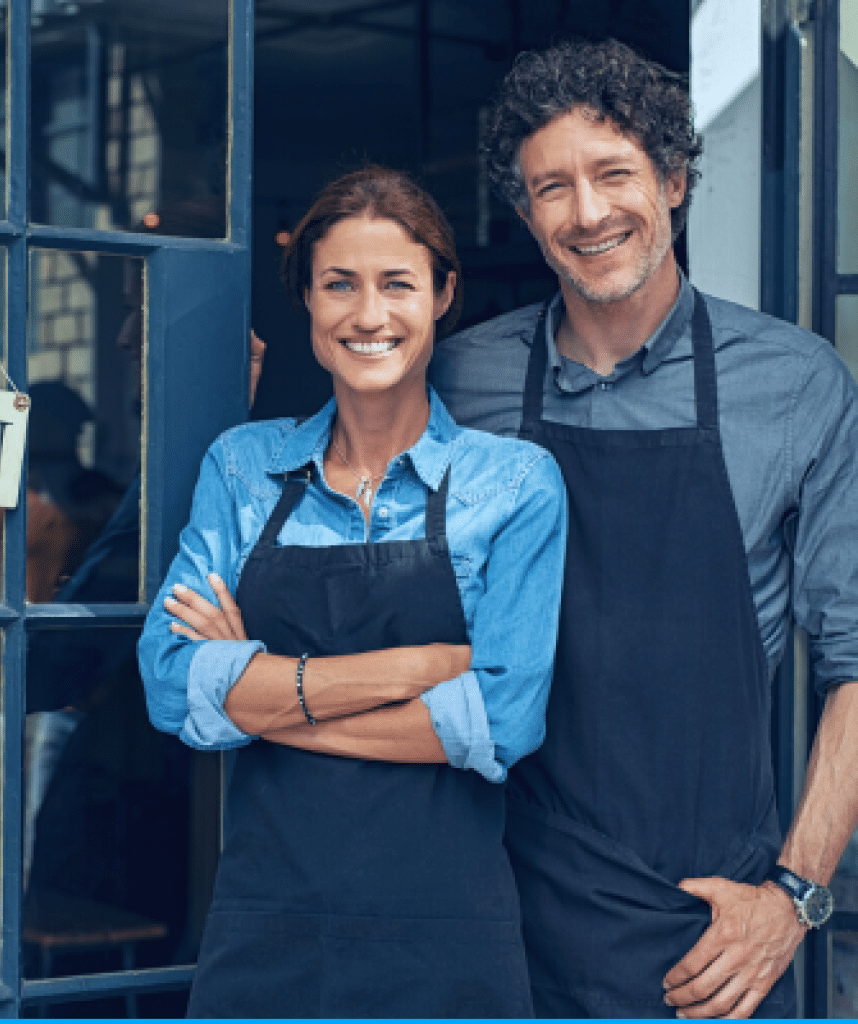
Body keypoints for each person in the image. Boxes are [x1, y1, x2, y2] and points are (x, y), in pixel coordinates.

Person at [431, 37, 858, 1020]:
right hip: (493, 899)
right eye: (551, 187)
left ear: (671, 180)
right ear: (524, 212)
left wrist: (792, 898)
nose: (587, 213)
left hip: (708, 930)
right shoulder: (460, 381)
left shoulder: (792, 386)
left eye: (612, 172)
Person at [137, 166, 567, 1017]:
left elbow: (504, 722)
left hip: (448, 941)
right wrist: (419, 668)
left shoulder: (514, 484)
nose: (368, 315)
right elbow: (167, 682)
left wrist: (261, 697)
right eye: (339, 284)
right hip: (267, 931)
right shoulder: (243, 467)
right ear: (307, 301)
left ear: (443, 294)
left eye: (397, 284)